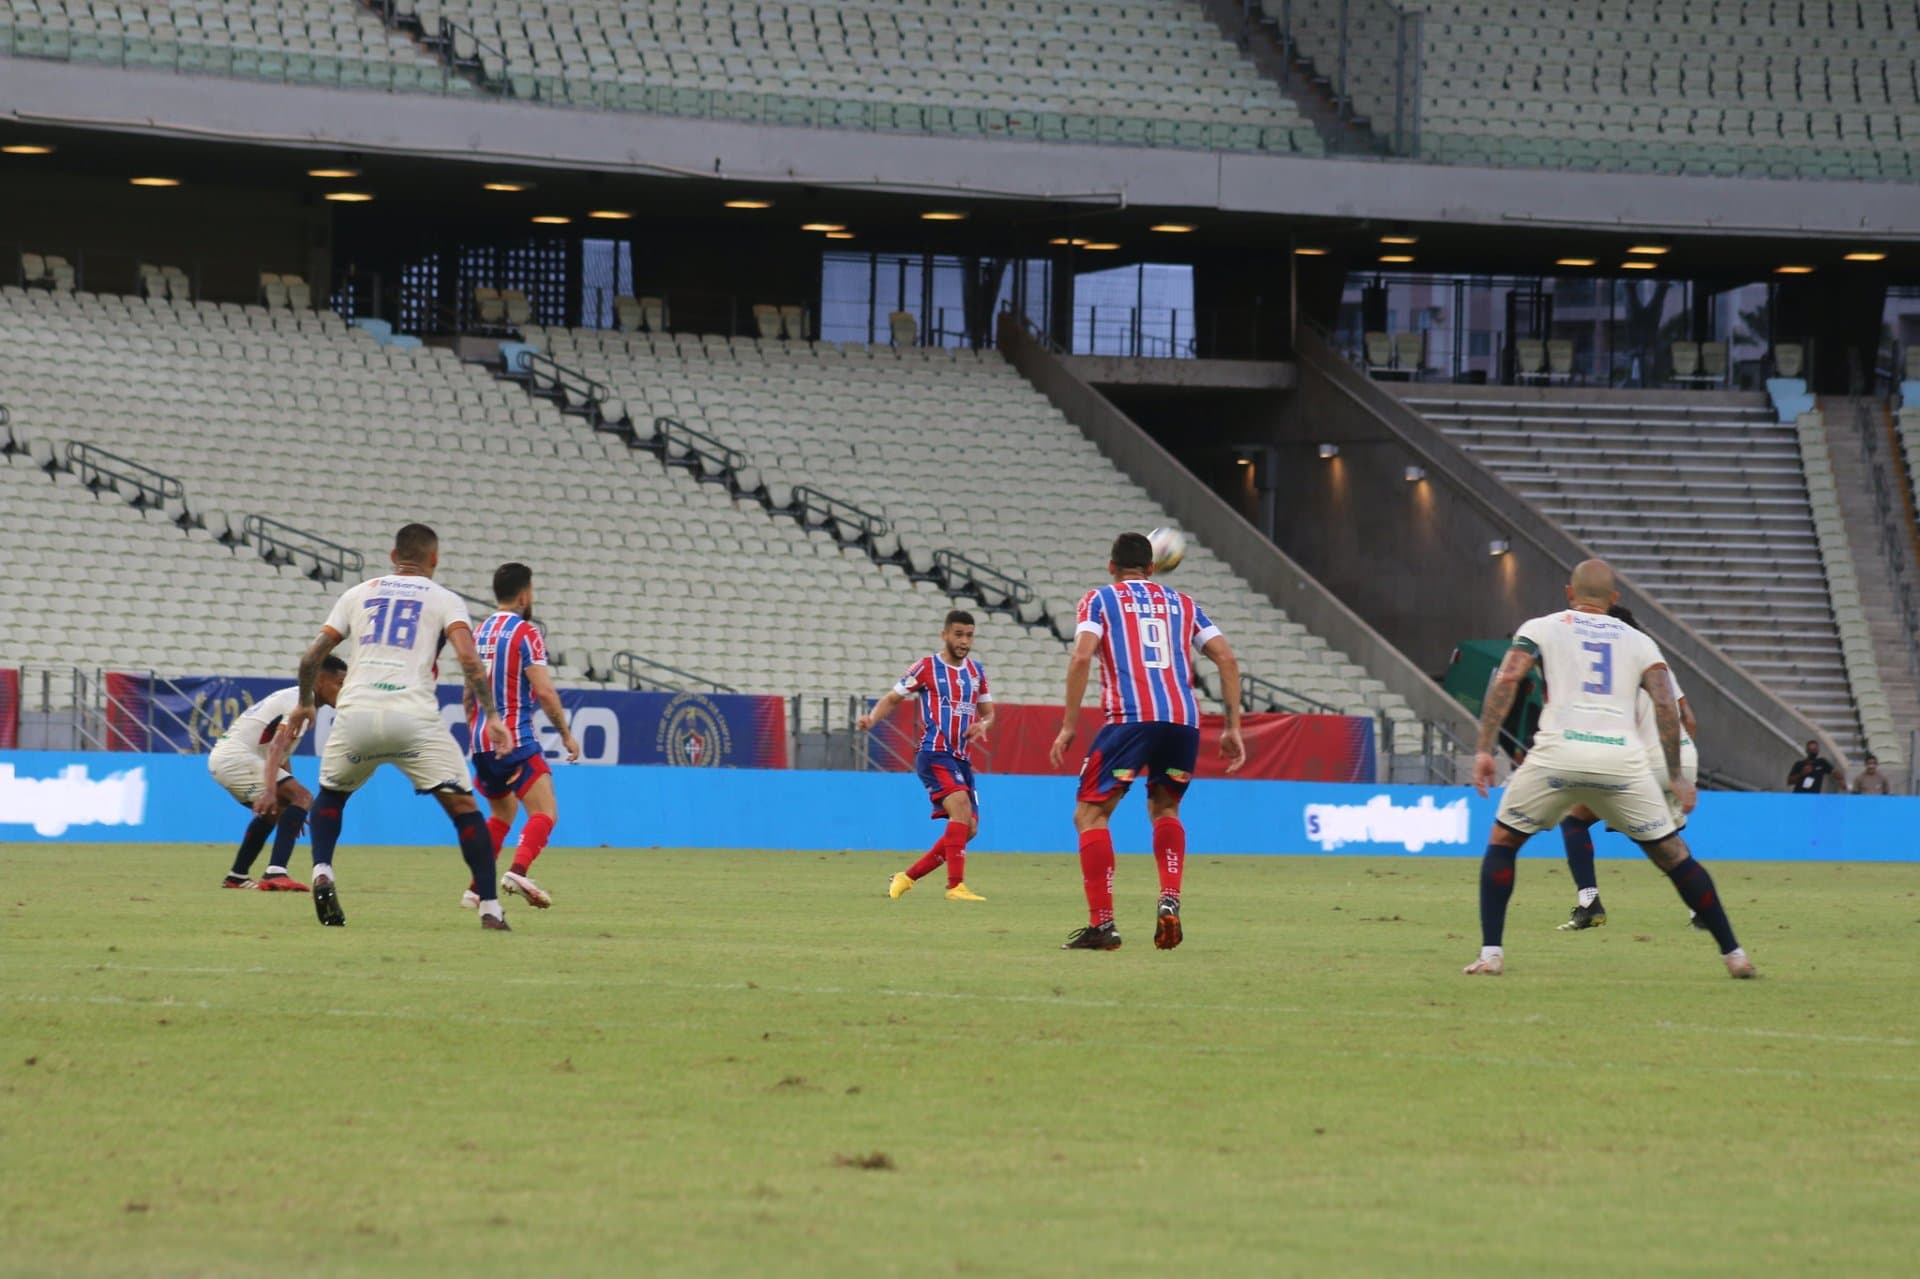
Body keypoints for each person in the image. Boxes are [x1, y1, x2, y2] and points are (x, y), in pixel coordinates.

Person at [1468, 559, 1754, 978]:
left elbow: (1509, 678)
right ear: (1615, 599)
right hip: (1621, 760)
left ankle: (1491, 954)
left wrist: (1483, 749)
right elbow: (1664, 705)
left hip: (1557, 754)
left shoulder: (1542, 626)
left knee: (1503, 840)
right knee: (1673, 856)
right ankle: (1735, 955)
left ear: (1570, 593)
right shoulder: (1639, 642)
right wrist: (1675, 774)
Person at [283, 522, 514, 930]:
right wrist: (492, 716)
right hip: (413, 717)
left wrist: (305, 704)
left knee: (332, 796)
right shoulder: (445, 600)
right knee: (463, 808)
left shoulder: (358, 593)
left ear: (393, 557)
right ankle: (490, 908)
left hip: (356, 713)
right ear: (435, 560)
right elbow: (469, 659)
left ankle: (322, 869)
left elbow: (311, 657)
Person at [1048, 532, 1245, 952]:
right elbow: (1226, 658)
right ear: (1153, 568)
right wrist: (1232, 727)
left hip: (1131, 720)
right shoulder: (1184, 604)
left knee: (1090, 815)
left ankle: (1103, 925)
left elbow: (1082, 656)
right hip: (1183, 722)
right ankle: (1169, 898)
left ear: (1111, 568)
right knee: (1166, 807)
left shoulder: (1099, 600)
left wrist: (1068, 725)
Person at [1556, 604, 1700, 931]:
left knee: (1573, 819)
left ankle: (1589, 902)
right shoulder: (1657, 663)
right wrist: (1678, 768)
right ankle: (1700, 910)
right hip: (1681, 757)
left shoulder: (1611, 667)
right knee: (1666, 838)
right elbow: (1689, 719)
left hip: (1641, 759)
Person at [460, 562, 580, 912]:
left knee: (502, 814)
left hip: (481, 741)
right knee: (546, 811)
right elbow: (544, 691)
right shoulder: (526, 632)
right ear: (525, 594)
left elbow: (468, 692)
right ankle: (517, 871)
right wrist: (566, 735)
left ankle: (474, 889)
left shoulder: (478, 632)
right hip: (515, 737)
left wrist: (476, 732)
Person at [858, 609, 995, 903]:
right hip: (934, 752)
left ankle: (906, 878)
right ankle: (955, 886)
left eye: (969, 635)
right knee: (960, 807)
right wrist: (872, 718)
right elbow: (893, 697)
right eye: (958, 634)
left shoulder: (976, 672)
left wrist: (982, 725)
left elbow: (989, 713)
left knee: (968, 828)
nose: (964, 641)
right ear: (944, 634)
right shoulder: (925, 668)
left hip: (961, 758)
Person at [209, 656, 346, 891]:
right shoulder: (304, 705)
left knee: (280, 809)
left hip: (227, 757)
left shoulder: (294, 696)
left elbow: (281, 753)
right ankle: (276, 871)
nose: (344, 690)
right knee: (303, 797)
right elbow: (275, 747)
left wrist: (289, 803)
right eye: (340, 683)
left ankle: (237, 876)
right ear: (321, 680)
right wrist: (276, 792)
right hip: (237, 758)